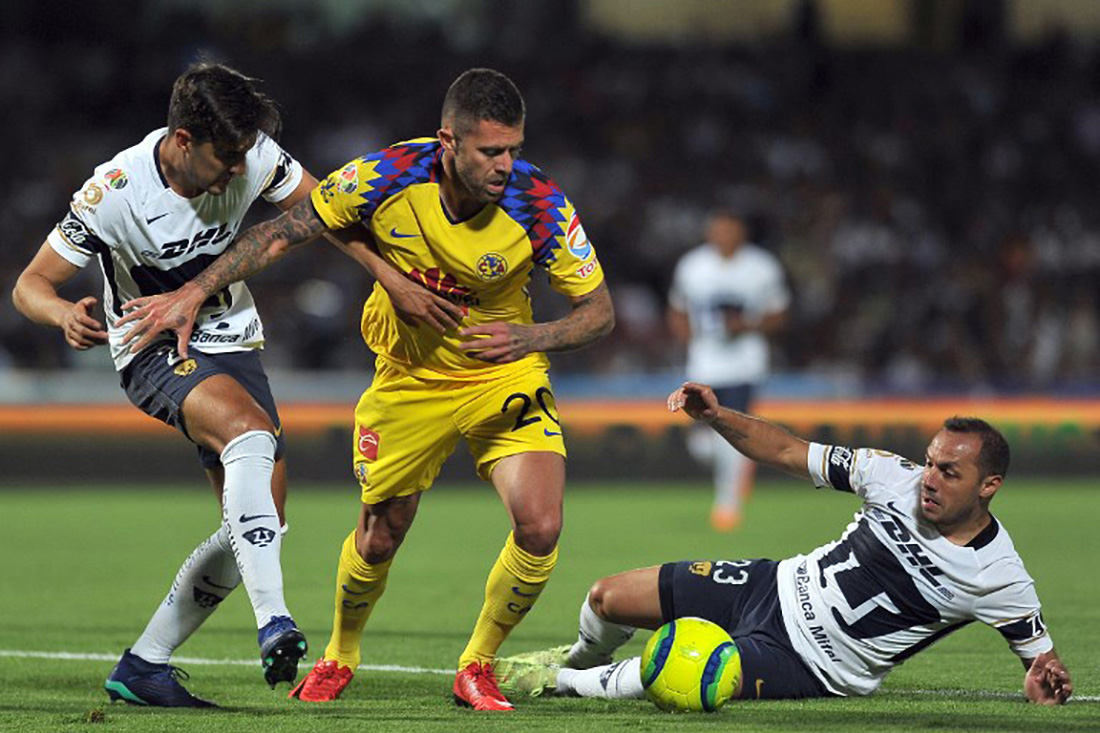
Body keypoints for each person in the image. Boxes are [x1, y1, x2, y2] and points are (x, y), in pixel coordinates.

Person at [113, 67, 616, 712]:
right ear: (449, 141)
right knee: (380, 535)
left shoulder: (540, 204)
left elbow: (597, 312)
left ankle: (477, 665)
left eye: (514, 149)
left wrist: (531, 339)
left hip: (502, 372)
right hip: (408, 380)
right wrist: (191, 293)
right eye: (491, 150)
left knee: (541, 525)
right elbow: (284, 231)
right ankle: (340, 654)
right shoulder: (385, 175)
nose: (506, 165)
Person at [10, 62, 460, 708]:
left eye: (243, 156)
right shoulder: (113, 191)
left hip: (233, 340)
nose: (235, 172)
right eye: (224, 158)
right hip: (152, 344)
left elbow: (327, 211)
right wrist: (63, 314)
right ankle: (275, 618)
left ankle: (144, 664)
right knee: (248, 433)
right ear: (183, 140)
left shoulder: (250, 155)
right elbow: (30, 284)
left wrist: (391, 277)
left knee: (262, 520)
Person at [494, 382, 1073, 706]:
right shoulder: (890, 475)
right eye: (929, 462)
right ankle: (577, 659)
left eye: (949, 472)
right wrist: (718, 416)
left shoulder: (999, 576)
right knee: (606, 598)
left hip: (812, 664)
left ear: (989, 486)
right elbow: (787, 451)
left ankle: (558, 683)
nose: (929, 478)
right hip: (771, 585)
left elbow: (1041, 664)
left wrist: (1041, 679)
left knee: (682, 675)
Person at [667, 210, 789, 531]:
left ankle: (727, 505)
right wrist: (686, 337)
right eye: (716, 230)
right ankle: (741, 467)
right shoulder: (693, 266)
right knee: (702, 445)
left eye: (728, 230)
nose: (721, 236)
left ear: (741, 232)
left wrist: (747, 326)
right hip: (704, 362)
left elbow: (779, 313)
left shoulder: (761, 267)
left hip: (744, 364)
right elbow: (678, 309)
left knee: (729, 432)